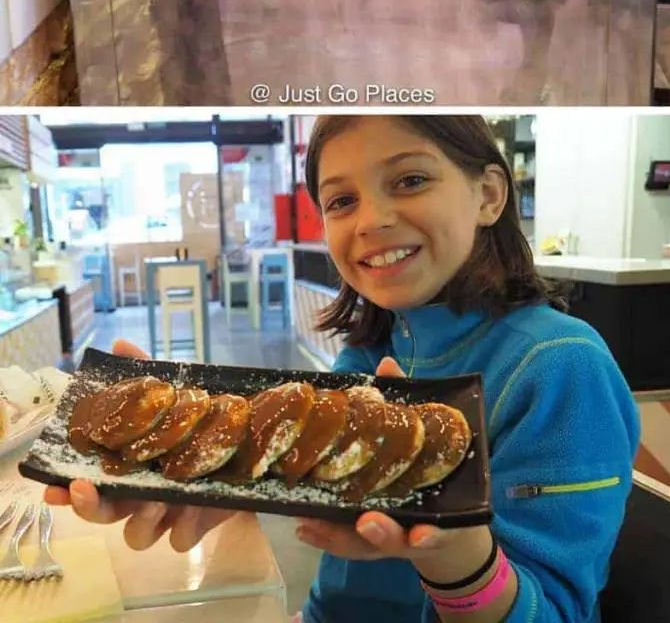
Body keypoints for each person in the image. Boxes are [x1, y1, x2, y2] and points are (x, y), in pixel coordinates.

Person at [47, 115, 639, 623]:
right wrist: (230, 481)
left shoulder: (560, 368)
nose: (370, 220)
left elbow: (557, 611)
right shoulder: (370, 352)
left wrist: (455, 560)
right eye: (341, 200)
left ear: (488, 194)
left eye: (410, 180)